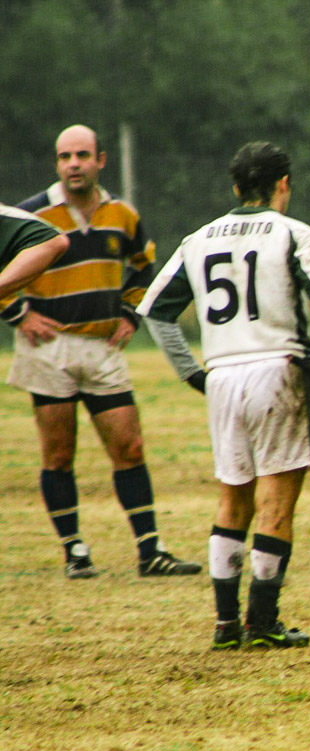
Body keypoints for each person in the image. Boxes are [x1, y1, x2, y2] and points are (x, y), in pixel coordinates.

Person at [137, 141, 310, 650]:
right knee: (277, 499)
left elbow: (155, 311)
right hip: (279, 368)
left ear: (235, 188)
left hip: (223, 376)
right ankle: (263, 620)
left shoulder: (199, 238)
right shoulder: (293, 232)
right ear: (283, 186)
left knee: (233, 496)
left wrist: (192, 372)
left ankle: (226, 624)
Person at [8, 124, 200, 579]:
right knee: (58, 455)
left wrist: (130, 314)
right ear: (57, 164)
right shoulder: (32, 215)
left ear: (100, 161)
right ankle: (74, 551)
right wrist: (18, 313)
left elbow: (144, 266)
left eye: (81, 155)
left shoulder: (122, 215)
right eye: (64, 157)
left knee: (129, 446)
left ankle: (150, 550)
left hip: (101, 347)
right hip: (48, 347)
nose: (72, 164)